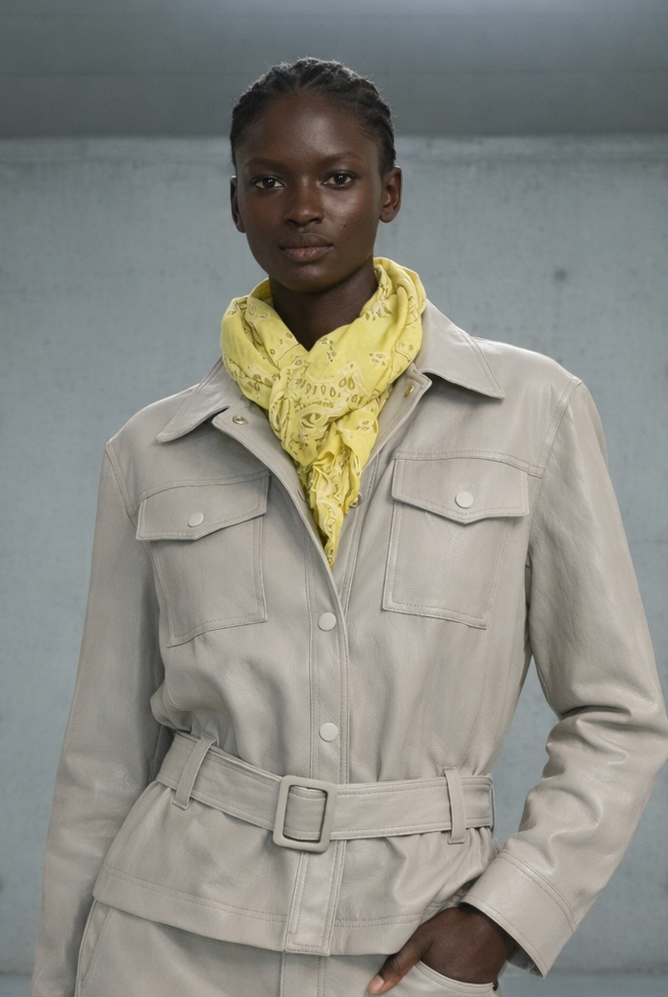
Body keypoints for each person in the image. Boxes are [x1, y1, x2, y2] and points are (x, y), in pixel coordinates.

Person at [31, 58, 667, 997]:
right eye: (268, 181)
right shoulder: (152, 449)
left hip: (406, 939)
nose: (302, 208)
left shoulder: (534, 410)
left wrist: (505, 913)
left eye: (336, 177)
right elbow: (102, 759)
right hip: (167, 937)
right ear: (235, 203)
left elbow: (618, 715)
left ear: (389, 192)